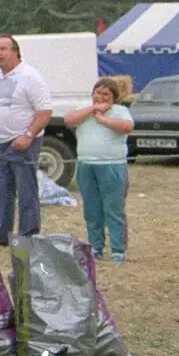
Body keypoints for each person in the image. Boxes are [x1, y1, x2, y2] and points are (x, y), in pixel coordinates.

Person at [0, 34, 54, 245]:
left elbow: (45, 111)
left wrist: (28, 135)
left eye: (3, 49)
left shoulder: (30, 77)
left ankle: (28, 235)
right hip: (0, 144)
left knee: (26, 191)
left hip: (22, 142)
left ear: (16, 52)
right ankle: (2, 234)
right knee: (2, 191)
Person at [65, 77, 134, 262]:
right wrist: (93, 109)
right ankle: (96, 246)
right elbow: (69, 120)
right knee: (92, 209)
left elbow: (127, 127)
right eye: (98, 92)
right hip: (87, 165)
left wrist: (103, 119)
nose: (101, 97)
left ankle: (118, 249)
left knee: (113, 208)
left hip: (112, 165)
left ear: (114, 98)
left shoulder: (120, 111)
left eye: (106, 94)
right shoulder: (85, 111)